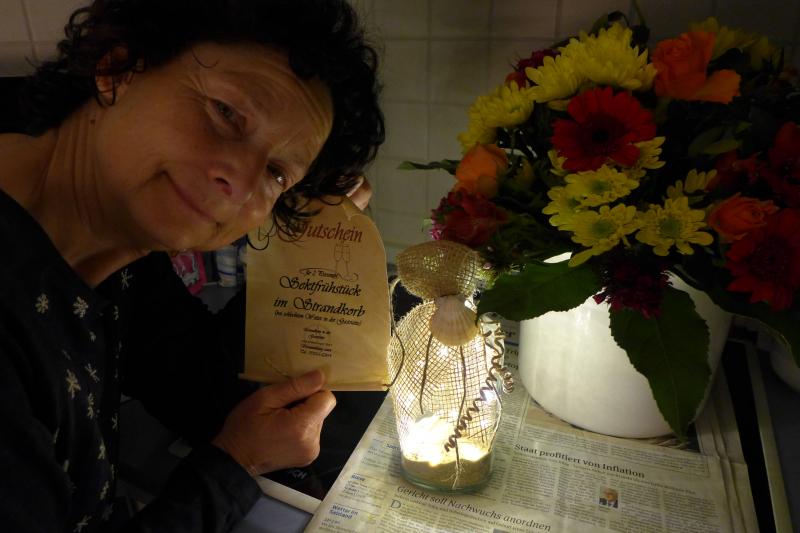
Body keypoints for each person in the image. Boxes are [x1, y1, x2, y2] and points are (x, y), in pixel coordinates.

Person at [0, 0, 384, 531]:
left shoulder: (118, 249)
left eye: (276, 172)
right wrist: (237, 464)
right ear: (117, 69)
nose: (241, 183)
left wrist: (308, 249)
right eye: (226, 113)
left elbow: (196, 381)